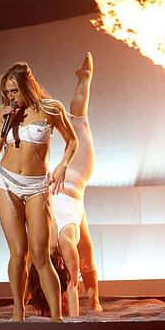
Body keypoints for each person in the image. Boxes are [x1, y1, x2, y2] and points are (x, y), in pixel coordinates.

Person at [0, 62, 78, 322]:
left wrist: (62, 166)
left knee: (41, 254)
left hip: (38, 187)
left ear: (27, 87)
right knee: (18, 253)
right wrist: (4, 127)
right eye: (7, 92)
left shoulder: (52, 108)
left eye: (14, 91)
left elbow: (72, 141)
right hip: (6, 184)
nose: (11, 97)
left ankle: (57, 318)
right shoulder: (5, 113)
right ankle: (19, 312)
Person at [50, 53, 102, 316]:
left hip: (69, 179)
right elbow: (71, 285)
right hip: (64, 190)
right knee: (88, 246)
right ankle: (95, 301)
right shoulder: (51, 244)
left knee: (79, 120)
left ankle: (86, 78)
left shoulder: (58, 244)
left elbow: (71, 285)